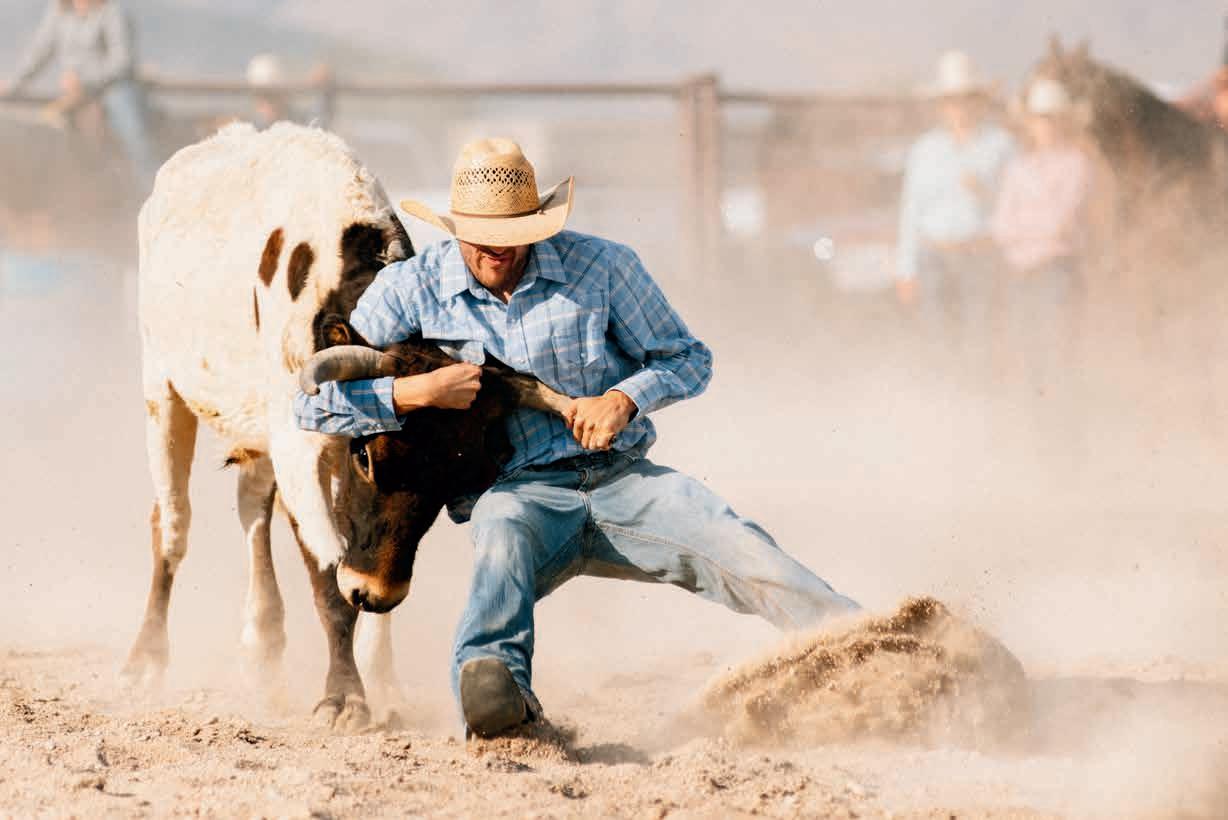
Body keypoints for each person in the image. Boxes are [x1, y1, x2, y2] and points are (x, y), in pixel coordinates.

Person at [294, 138, 860, 738]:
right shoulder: (410, 289)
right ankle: (497, 699)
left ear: (536, 225)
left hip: (623, 479)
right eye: (481, 234)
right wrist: (418, 392)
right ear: (456, 227)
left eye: (511, 233)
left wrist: (624, 398)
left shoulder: (604, 268)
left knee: (737, 544)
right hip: (517, 492)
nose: (496, 248)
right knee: (500, 551)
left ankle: (869, 646)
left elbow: (688, 358)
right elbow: (310, 405)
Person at [895, 51, 1015, 353]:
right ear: (942, 106)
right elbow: (911, 210)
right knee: (936, 340)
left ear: (979, 102)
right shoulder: (925, 149)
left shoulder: (1001, 145)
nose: (959, 107)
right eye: (951, 101)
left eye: (965, 99)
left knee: (979, 338)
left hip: (980, 254)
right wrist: (906, 268)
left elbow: (1017, 204)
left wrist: (986, 192)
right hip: (933, 254)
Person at [1, 0, 156, 186]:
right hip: (74, 92)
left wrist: (85, 80)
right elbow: (40, 51)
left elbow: (122, 61)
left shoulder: (111, 11)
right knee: (48, 130)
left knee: (133, 132)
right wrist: (14, 84)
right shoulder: (59, 12)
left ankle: (149, 182)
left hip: (112, 86)